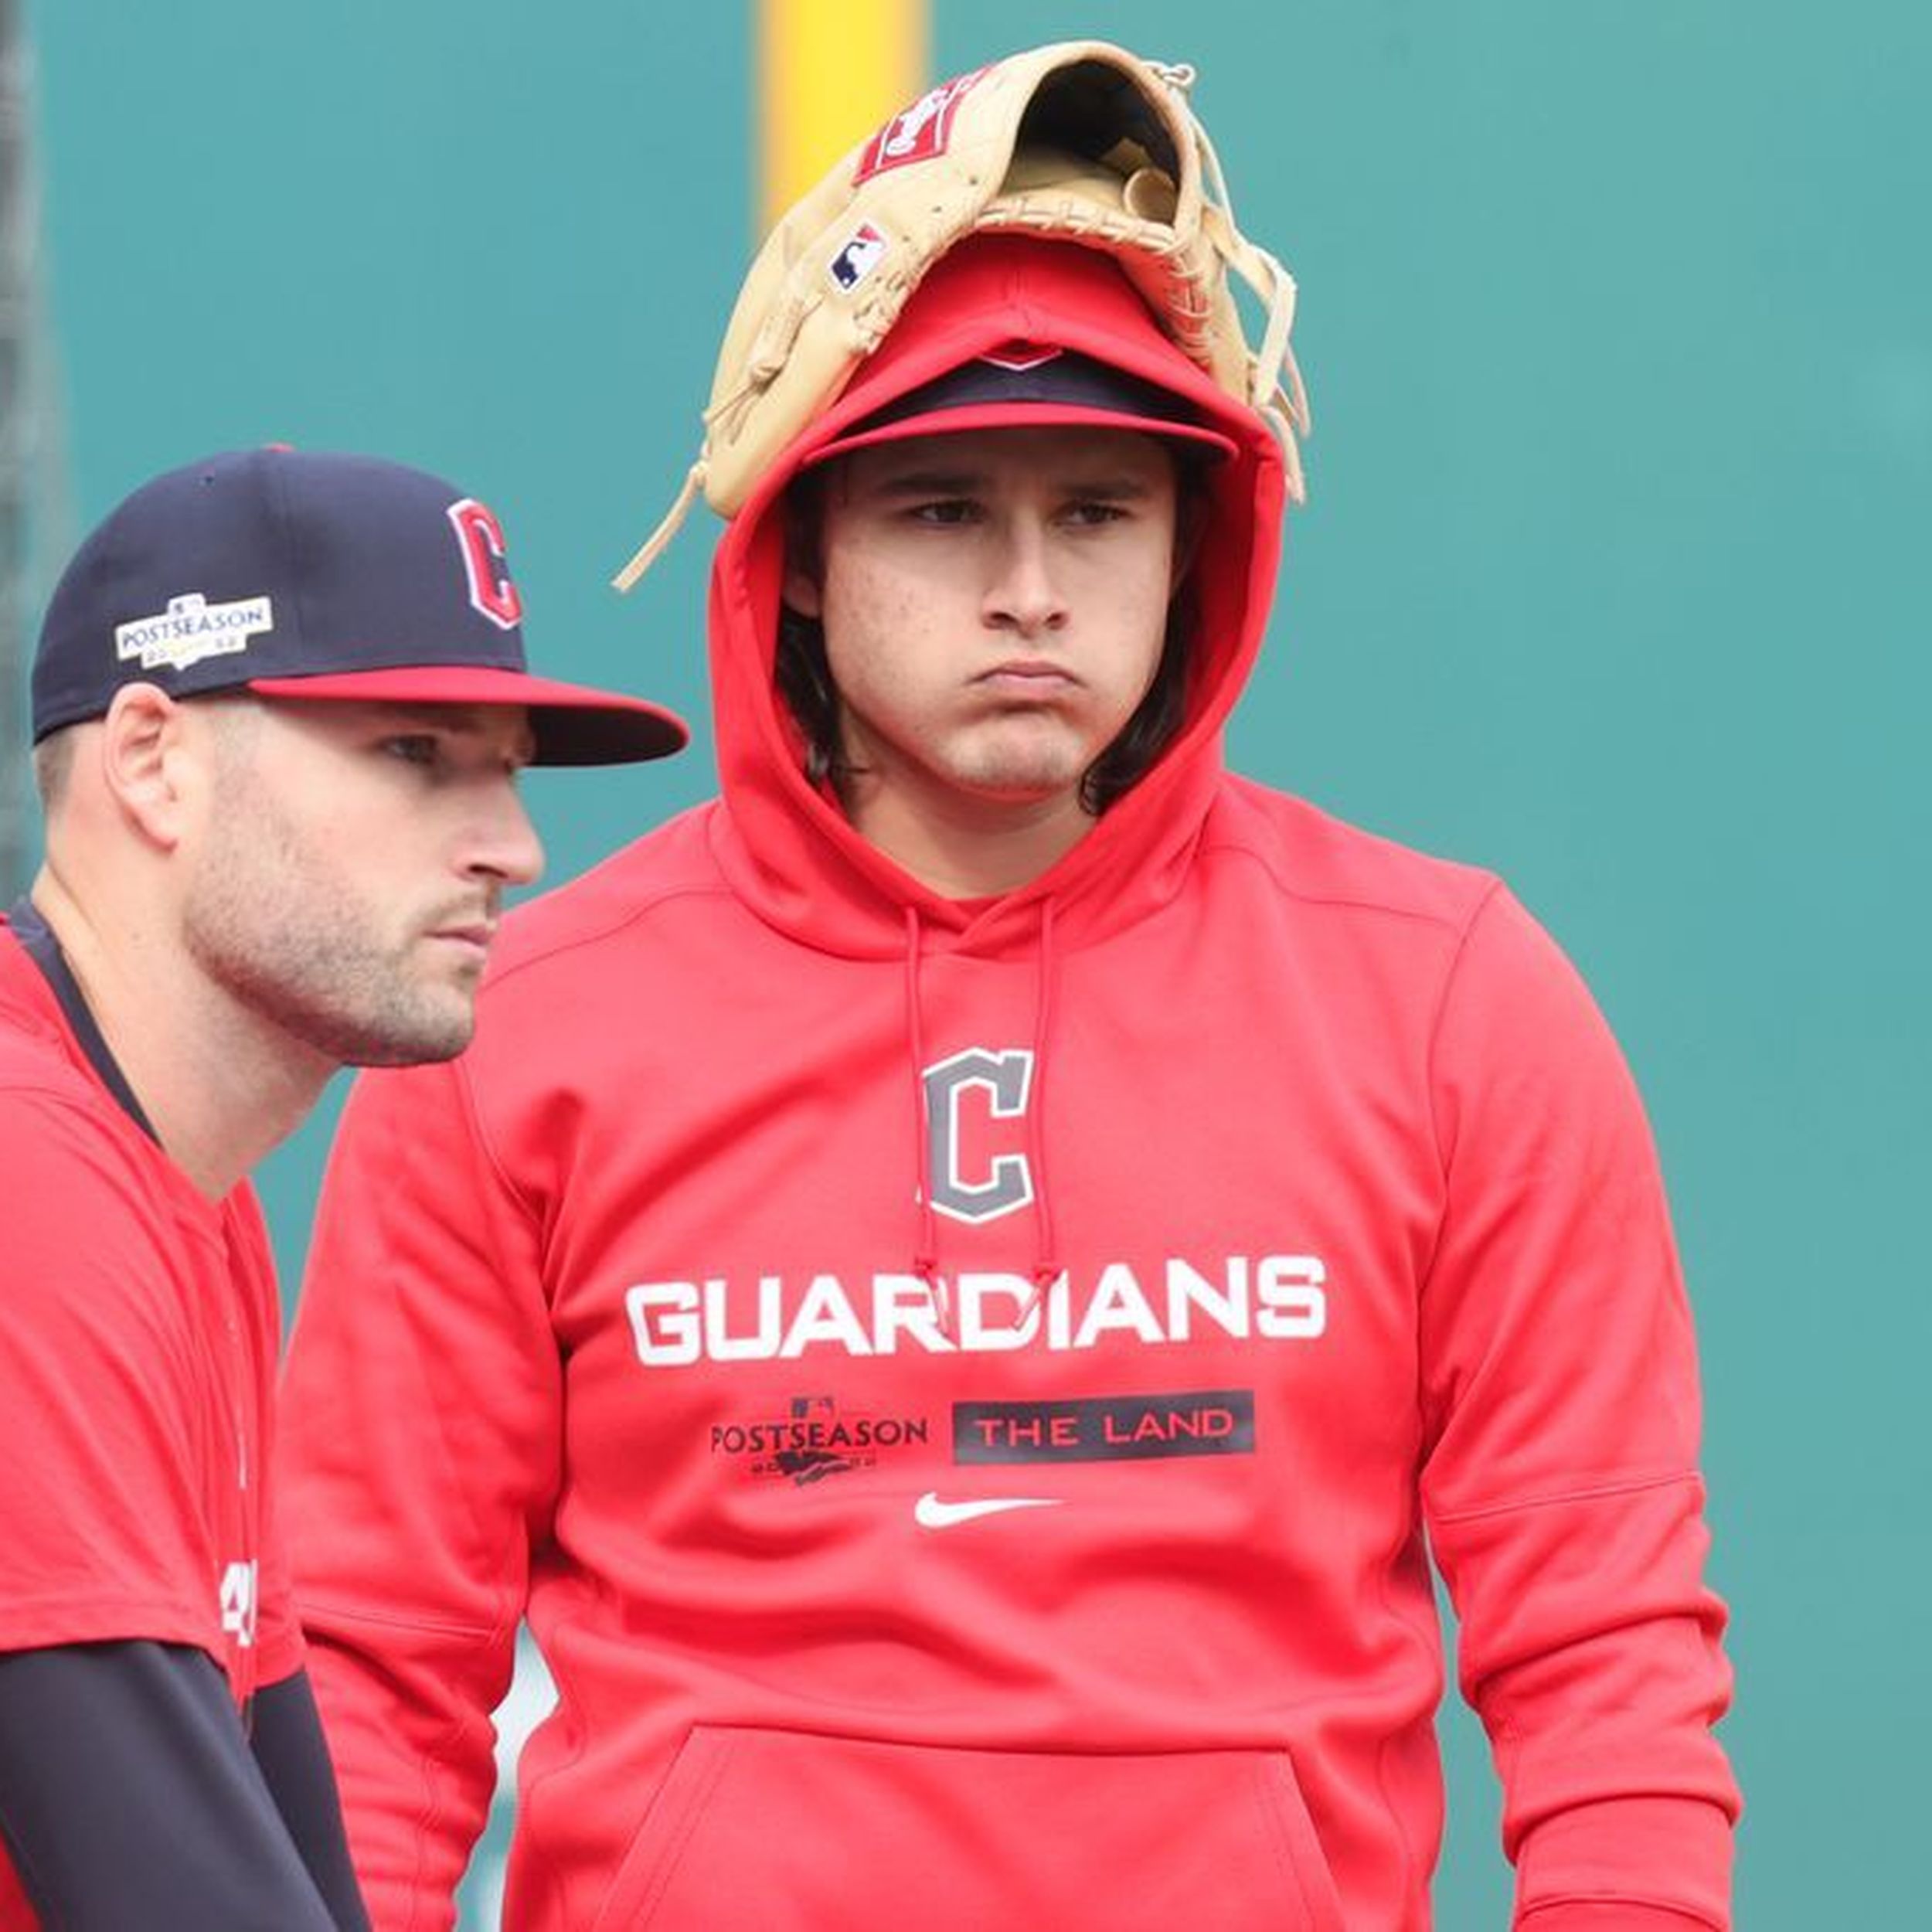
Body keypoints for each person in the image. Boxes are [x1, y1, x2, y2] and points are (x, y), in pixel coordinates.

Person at [279, 48, 1738, 1932]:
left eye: (1100, 511)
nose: (1030, 589)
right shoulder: (524, 1019)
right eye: (943, 509)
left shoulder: (1450, 993)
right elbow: (370, 1676)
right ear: (799, 553)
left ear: (1194, 546)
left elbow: (1604, 1654)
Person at [0, 445, 685, 1930]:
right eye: (413, 755)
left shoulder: (192, 1189)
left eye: (504, 768)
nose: (514, 847)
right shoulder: (28, 1183)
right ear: (151, 760)